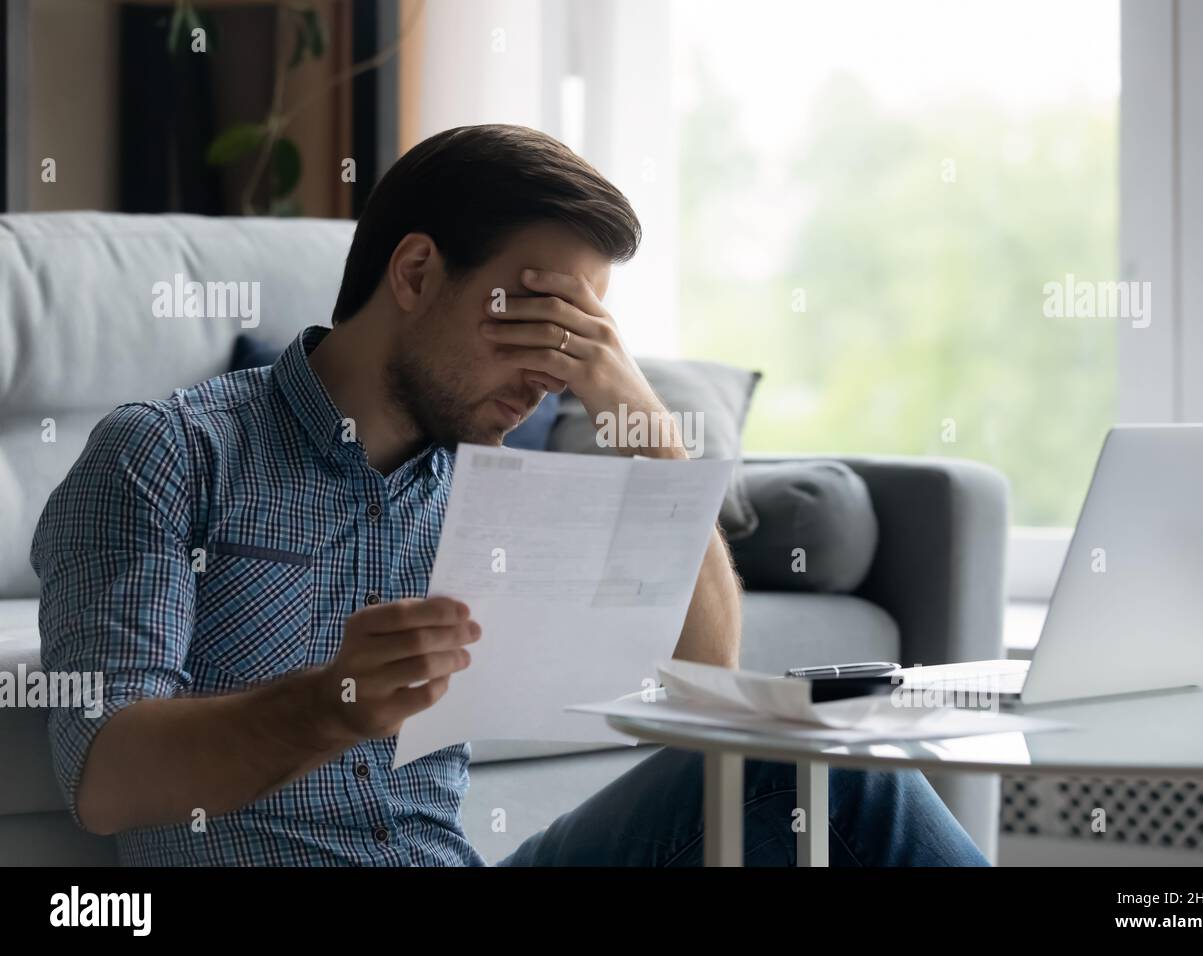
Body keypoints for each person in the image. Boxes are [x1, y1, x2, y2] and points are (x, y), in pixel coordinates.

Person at [31, 124, 988, 866]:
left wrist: (636, 412)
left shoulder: (493, 488)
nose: (549, 371)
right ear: (415, 273)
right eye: (533, 318)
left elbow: (716, 680)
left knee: (827, 781)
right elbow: (105, 777)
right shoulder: (167, 455)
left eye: (581, 333)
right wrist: (330, 702)